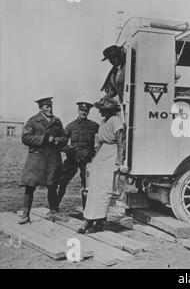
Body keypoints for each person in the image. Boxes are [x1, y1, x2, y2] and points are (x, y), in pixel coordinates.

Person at [77, 97, 128, 234]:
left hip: (111, 155)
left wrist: (119, 161)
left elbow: (121, 141)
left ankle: (99, 222)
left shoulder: (116, 121)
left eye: (103, 110)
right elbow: (99, 142)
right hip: (101, 155)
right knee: (92, 189)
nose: (100, 112)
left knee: (103, 192)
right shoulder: (103, 121)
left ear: (109, 110)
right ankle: (88, 220)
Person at [18, 97, 68, 224]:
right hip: (36, 159)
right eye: (46, 107)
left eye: (51, 106)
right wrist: (44, 139)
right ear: (40, 108)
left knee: (52, 185)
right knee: (30, 186)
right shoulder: (33, 121)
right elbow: (25, 138)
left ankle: (53, 212)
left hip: (53, 158)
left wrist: (59, 140)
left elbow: (64, 137)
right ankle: (25, 215)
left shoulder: (57, 121)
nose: (50, 109)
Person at [57, 102, 99, 210]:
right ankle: (54, 207)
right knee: (63, 181)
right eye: (82, 110)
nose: (84, 113)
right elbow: (62, 142)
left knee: (86, 185)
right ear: (78, 111)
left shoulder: (93, 126)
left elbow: (104, 136)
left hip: (87, 159)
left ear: (88, 112)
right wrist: (68, 150)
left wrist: (96, 151)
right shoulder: (71, 126)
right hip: (73, 158)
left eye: (86, 111)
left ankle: (86, 210)